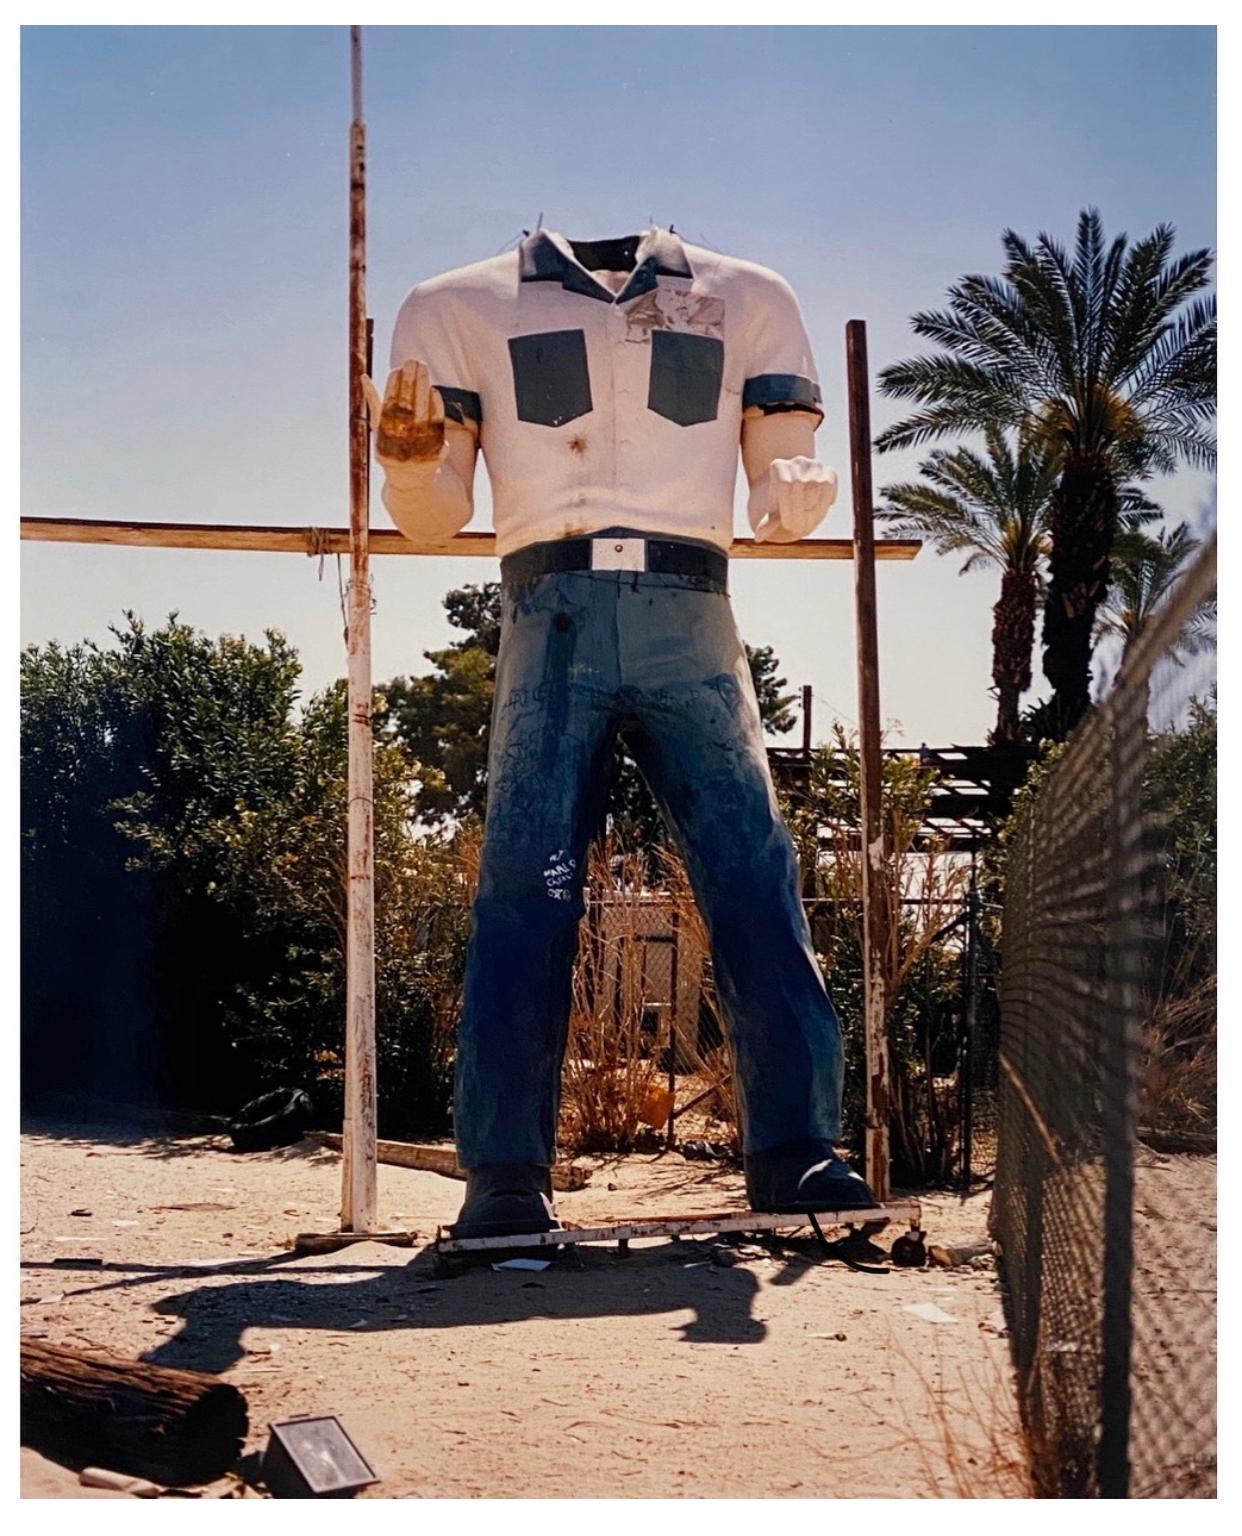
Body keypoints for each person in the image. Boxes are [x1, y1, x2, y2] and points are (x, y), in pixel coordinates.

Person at [370, 227, 875, 1238]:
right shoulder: (457, 305)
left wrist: (793, 495)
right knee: (526, 885)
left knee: (749, 869)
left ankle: (797, 1147)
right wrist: (412, 464)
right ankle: (505, 1170)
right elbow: (433, 517)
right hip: (545, 603)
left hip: (691, 604)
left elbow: (783, 477)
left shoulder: (749, 295)